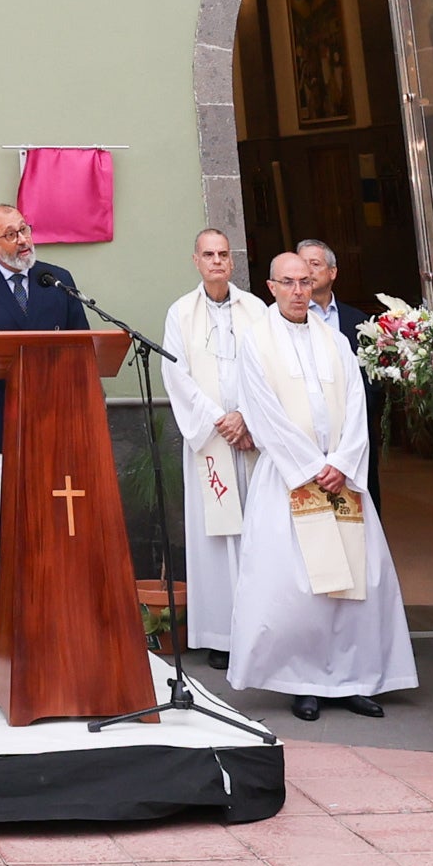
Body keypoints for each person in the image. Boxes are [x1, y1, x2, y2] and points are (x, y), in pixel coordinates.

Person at [223, 251, 410, 720]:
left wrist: (343, 462)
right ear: (271, 287)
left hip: (340, 478)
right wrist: (310, 466)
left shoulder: (334, 340)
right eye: (288, 282)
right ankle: (302, 680)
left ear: (317, 283)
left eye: (306, 281)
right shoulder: (255, 341)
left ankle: (352, 679)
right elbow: (262, 411)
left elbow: (355, 404)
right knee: (298, 587)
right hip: (291, 479)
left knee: (353, 582)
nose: (299, 291)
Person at [0, 204, 89, 544]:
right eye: (10, 235)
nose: (23, 239)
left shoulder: (57, 280)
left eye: (24, 229)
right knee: (10, 533)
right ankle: (5, 600)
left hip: (57, 421)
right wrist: (0, 354)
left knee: (60, 531)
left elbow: (82, 344)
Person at [161, 230, 255, 662]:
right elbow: (176, 375)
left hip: (253, 437)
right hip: (211, 437)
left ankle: (257, 625)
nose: (217, 261)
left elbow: (270, 369)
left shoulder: (256, 310)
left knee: (256, 529)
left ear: (232, 262)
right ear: (195, 260)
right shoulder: (180, 312)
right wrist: (220, 418)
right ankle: (220, 634)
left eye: (223, 254)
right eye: (208, 255)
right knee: (216, 536)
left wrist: (247, 417)